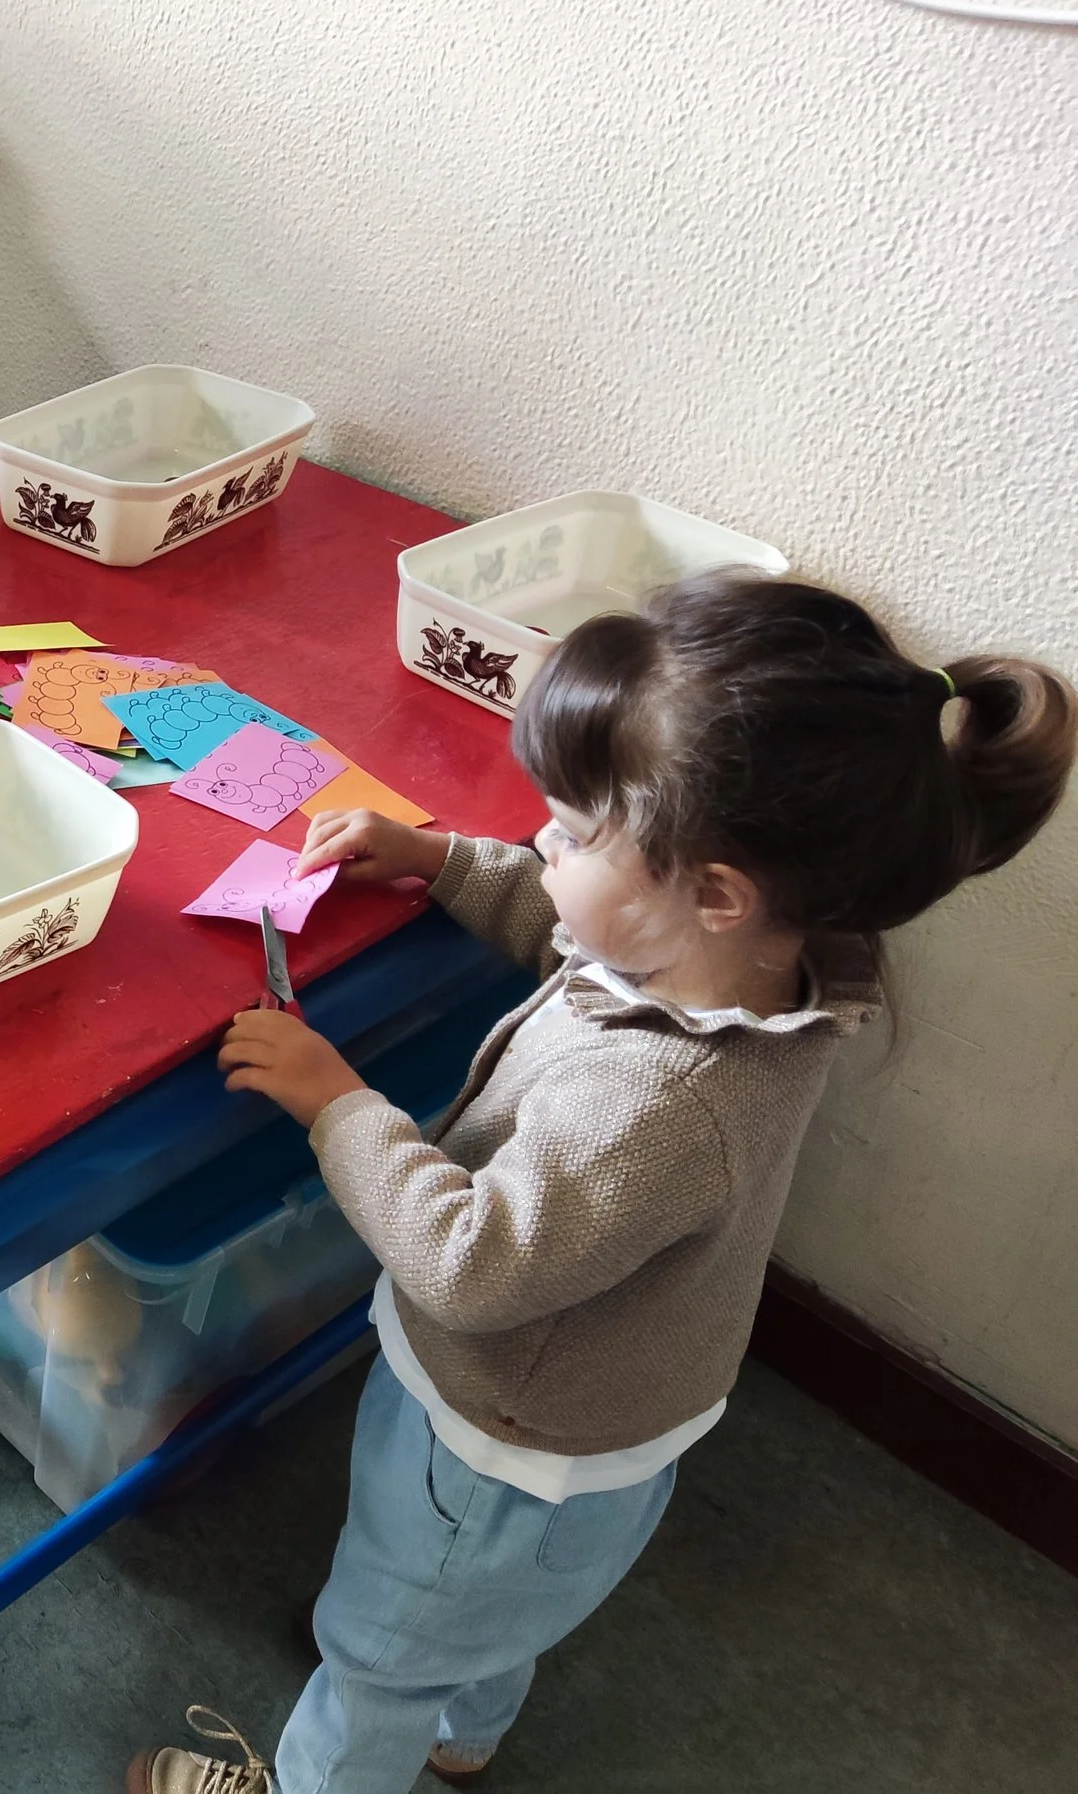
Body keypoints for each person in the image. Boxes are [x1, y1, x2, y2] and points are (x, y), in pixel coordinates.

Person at [133, 572, 1074, 1794]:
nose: (543, 842)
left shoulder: (661, 1100)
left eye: (574, 830)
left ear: (717, 891)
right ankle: (462, 1730)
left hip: (502, 1450)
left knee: (380, 1652)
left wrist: (335, 1102)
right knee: (486, 1621)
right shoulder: (759, 957)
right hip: (587, 1427)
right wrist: (437, 859)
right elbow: (579, 931)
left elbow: (469, 1266)